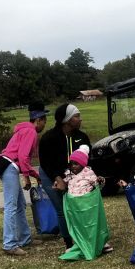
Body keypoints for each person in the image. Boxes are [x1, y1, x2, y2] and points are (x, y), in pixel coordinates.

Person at [0, 102, 48, 256]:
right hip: (9, 167)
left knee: (19, 205)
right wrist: (36, 176)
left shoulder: (24, 130)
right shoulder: (31, 132)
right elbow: (23, 158)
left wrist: (26, 177)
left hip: (9, 166)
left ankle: (25, 239)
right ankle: (9, 244)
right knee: (11, 206)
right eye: (44, 121)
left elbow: (22, 157)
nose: (45, 124)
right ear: (38, 120)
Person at [38, 103, 90, 250]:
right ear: (67, 120)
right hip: (51, 175)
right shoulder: (49, 138)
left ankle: (88, 238)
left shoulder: (82, 137)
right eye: (76, 116)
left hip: (75, 175)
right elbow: (46, 162)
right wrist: (57, 178)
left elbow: (87, 160)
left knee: (80, 208)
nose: (80, 119)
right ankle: (69, 244)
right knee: (63, 210)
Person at [63, 146, 114, 254]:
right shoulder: (69, 174)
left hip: (87, 204)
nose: (73, 167)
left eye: (76, 164)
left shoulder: (89, 173)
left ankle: (99, 242)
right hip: (75, 206)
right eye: (71, 164)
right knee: (79, 225)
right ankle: (80, 244)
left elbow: (97, 186)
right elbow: (65, 182)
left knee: (91, 223)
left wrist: (100, 180)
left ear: (83, 164)